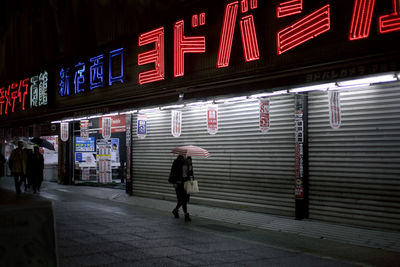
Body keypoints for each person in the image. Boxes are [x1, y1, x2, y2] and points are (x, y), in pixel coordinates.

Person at [169, 155, 191, 222]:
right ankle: (186, 215)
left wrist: (190, 169)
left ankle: (175, 210)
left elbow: (188, 174)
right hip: (179, 183)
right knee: (183, 199)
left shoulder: (188, 161)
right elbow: (173, 172)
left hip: (186, 183)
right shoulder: (176, 162)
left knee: (183, 200)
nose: (185, 156)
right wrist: (173, 182)